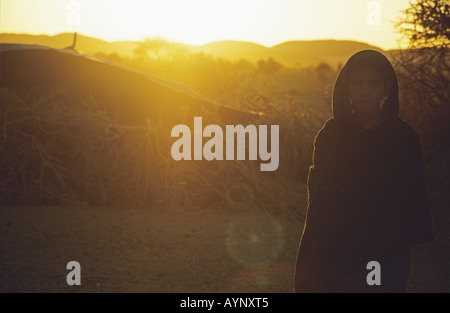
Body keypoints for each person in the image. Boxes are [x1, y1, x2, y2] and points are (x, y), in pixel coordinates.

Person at [294, 50, 434, 293]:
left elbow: (411, 197)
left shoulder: (402, 137)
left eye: (373, 83)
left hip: (385, 250)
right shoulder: (331, 136)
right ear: (346, 88)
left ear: (386, 88)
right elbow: (319, 202)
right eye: (357, 83)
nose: (365, 90)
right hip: (336, 249)